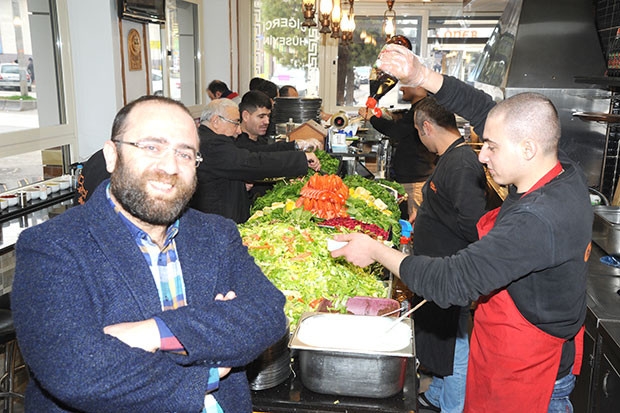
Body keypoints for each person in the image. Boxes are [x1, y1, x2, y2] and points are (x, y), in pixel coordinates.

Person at [331, 44, 591, 413]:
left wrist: (374, 251)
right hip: (507, 348)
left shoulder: (537, 219)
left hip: (530, 371)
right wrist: (422, 76)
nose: (482, 155)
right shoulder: (561, 168)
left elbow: (453, 281)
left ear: (529, 148)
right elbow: (487, 110)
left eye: (491, 147)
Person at [12, 95, 288, 412]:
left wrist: (152, 332)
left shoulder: (217, 234)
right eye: (152, 147)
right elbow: (77, 371)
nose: (170, 166)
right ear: (111, 155)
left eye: (185, 154)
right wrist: (210, 360)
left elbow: (268, 314)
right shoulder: (51, 246)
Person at [410, 96, 488, 413]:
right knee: (442, 340)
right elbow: (449, 209)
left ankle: (453, 407)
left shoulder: (462, 163)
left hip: (450, 271)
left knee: (454, 342)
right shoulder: (449, 157)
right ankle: (438, 394)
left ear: (427, 127)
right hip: (437, 267)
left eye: (418, 131)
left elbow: (473, 225)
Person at [191, 98, 321, 223]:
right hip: (215, 226)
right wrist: (300, 158)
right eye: (236, 123)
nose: (239, 130)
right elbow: (252, 162)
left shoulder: (203, 139)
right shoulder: (213, 144)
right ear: (216, 121)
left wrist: (240, 186)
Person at [358, 86, 436, 221]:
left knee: (413, 227)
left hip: (415, 181)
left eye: (407, 84)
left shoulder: (422, 110)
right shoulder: (418, 108)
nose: (401, 88)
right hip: (410, 179)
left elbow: (397, 131)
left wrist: (372, 118)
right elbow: (403, 125)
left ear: (420, 87)